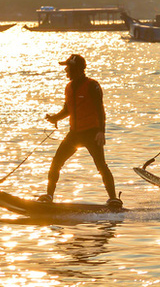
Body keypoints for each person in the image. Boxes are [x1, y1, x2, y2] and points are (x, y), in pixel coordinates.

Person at [40, 54, 123, 208]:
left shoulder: (92, 85)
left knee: (101, 166)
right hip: (75, 134)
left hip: (92, 133)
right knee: (56, 162)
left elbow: (100, 110)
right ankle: (49, 196)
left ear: (76, 69)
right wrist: (55, 118)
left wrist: (101, 131)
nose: (66, 70)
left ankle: (113, 199)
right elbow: (68, 109)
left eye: (68, 67)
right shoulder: (69, 87)